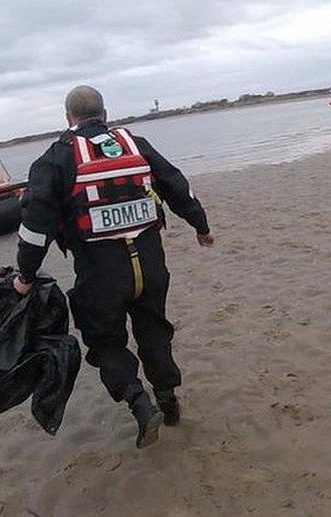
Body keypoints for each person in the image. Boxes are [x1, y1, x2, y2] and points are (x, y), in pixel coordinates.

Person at [14, 85, 215, 448]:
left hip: (100, 278)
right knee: (154, 330)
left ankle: (139, 403)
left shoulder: (56, 158)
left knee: (105, 342)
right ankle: (168, 402)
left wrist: (25, 276)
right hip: (151, 269)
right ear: (105, 115)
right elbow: (176, 186)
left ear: (67, 118)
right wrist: (201, 226)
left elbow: (35, 226)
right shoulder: (136, 144)